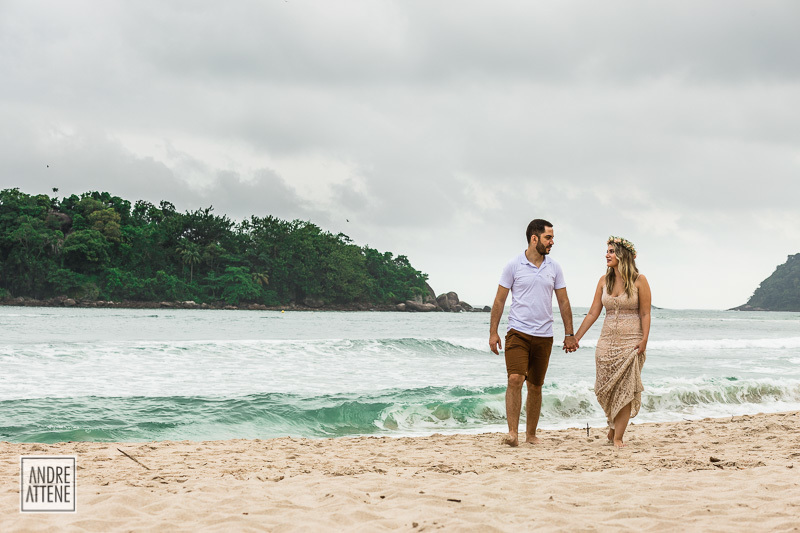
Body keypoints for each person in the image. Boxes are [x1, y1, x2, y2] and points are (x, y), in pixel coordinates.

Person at [489, 219, 578, 447]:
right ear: (534, 238)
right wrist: (493, 332)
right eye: (548, 237)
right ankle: (512, 434)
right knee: (515, 378)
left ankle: (530, 434)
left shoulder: (554, 267)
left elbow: (563, 300)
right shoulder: (513, 265)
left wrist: (570, 334)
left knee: (536, 385)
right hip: (517, 332)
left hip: (544, 335)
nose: (552, 242)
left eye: (552, 237)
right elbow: (500, 300)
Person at [574, 236, 651, 448]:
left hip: (631, 343)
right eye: (607, 251)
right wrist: (576, 337)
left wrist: (644, 339)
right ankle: (612, 425)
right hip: (606, 342)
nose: (607, 255)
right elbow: (592, 313)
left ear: (622, 255)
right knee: (605, 388)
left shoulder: (639, 280)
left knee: (625, 389)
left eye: (611, 251)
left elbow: (645, 313)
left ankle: (618, 437)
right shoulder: (603, 281)